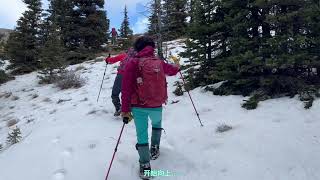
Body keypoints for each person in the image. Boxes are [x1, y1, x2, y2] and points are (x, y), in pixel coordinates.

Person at [121, 36, 180, 179]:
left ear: (138, 48)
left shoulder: (132, 63)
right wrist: (177, 64)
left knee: (141, 134)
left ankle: (145, 166)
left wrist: (125, 110)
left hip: (138, 105)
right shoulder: (159, 62)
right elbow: (172, 71)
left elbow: (126, 88)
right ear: (152, 48)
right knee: (157, 124)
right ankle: (155, 148)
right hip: (157, 104)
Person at [105, 49, 136, 116]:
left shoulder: (124, 55)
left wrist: (107, 59)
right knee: (128, 94)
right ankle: (129, 109)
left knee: (115, 93)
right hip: (132, 77)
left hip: (121, 76)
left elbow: (112, 60)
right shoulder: (137, 57)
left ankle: (118, 108)